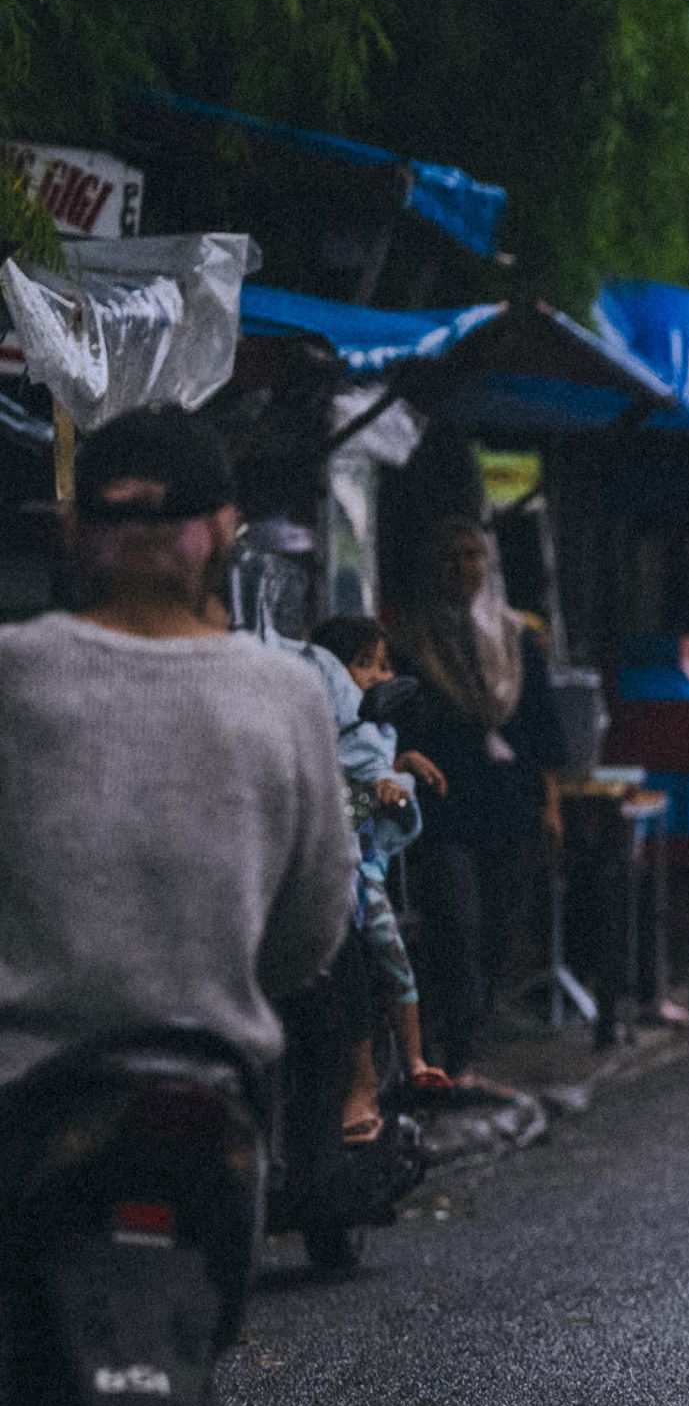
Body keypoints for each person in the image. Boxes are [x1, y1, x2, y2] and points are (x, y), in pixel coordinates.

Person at [0, 410, 354, 1098]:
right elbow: (315, 922)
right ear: (224, 531)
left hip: (27, 1083)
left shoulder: (14, 671)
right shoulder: (289, 693)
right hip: (215, 1078)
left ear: (73, 526)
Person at [391, 516, 568, 1072]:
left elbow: (542, 729)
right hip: (445, 807)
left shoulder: (517, 638)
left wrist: (551, 802)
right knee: (455, 925)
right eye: (451, 557)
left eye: (473, 556)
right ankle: (457, 1048)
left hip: (511, 803)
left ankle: (471, 1034)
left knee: (498, 928)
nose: (463, 568)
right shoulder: (410, 645)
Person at [310, 615, 454, 1135]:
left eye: (381, 665)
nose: (375, 676)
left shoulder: (367, 731)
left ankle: (398, 1069)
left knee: (382, 944)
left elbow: (359, 785)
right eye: (362, 664)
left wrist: (397, 767)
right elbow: (317, 808)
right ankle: (362, 1078)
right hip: (312, 869)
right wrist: (374, 790)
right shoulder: (313, 726)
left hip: (354, 869)